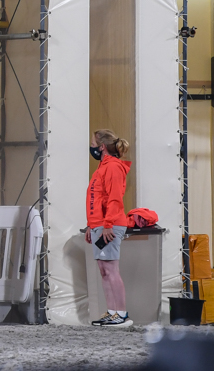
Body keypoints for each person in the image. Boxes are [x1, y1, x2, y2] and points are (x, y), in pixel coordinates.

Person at [86, 128, 132, 328]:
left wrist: (106, 225)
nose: (92, 147)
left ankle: (121, 314)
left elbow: (114, 198)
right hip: (100, 225)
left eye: (93, 143)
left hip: (110, 225)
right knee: (104, 270)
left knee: (111, 269)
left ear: (102, 146)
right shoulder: (102, 167)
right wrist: (91, 226)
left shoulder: (113, 167)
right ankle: (112, 312)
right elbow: (97, 199)